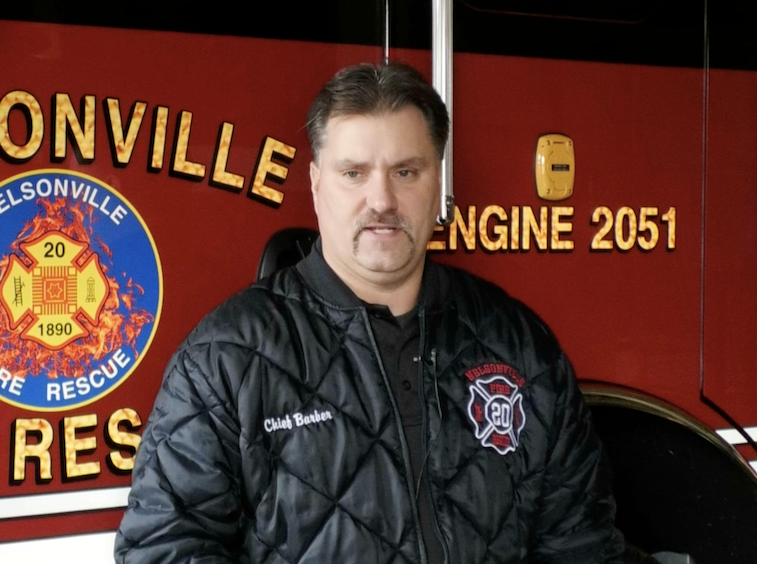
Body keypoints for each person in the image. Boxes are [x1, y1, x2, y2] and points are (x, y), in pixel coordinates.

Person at [114, 62, 625, 563]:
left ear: (437, 181)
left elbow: (581, 543)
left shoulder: (519, 344)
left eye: (405, 171)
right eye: (353, 173)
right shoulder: (225, 359)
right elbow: (163, 549)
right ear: (316, 185)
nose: (381, 199)